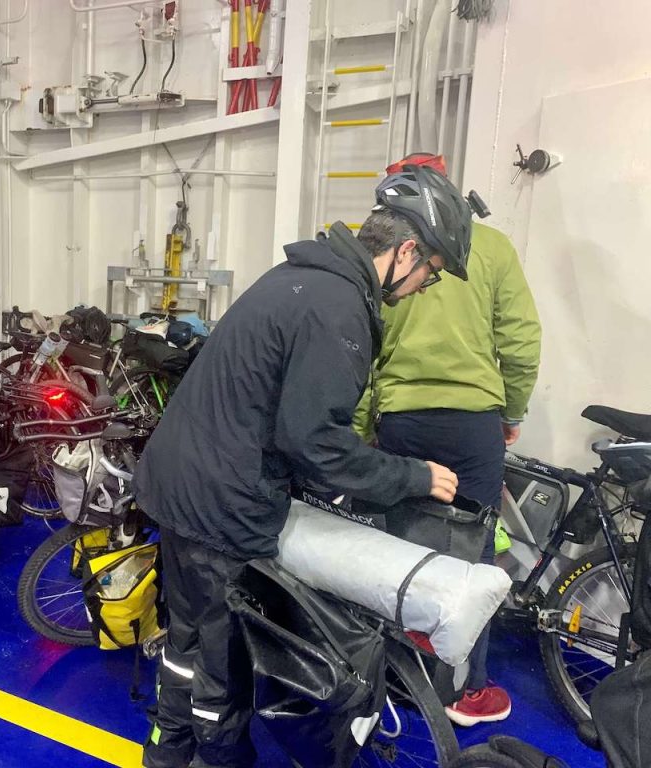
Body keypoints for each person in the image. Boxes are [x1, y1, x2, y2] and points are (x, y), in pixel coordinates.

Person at [135, 165, 479, 768]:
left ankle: (166, 750)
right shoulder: (339, 308)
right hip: (222, 505)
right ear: (406, 251)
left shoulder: (299, 276)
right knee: (222, 663)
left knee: (184, 637)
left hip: (178, 483)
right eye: (432, 270)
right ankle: (220, 759)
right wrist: (412, 477)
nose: (427, 285)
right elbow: (314, 444)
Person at [354, 153, 541, 727]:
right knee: (474, 556)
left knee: (394, 546)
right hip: (472, 424)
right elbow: (520, 338)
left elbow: (366, 352)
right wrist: (511, 411)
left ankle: (388, 671)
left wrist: (361, 431)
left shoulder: (384, 253)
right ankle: (465, 691)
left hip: (403, 418)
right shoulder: (492, 247)